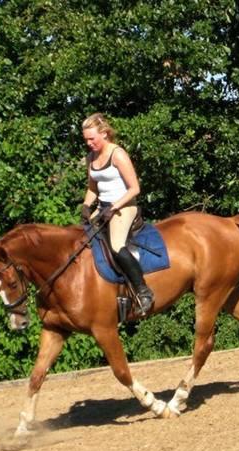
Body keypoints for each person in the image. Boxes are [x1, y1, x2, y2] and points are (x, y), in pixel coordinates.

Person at [80, 112, 154, 316]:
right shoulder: (91, 157)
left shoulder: (118, 154)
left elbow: (134, 188)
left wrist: (113, 208)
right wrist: (86, 205)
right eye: (86, 139)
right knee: (82, 241)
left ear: (104, 133)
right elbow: (93, 187)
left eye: (92, 138)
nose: (89, 143)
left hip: (124, 206)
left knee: (116, 245)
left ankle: (143, 291)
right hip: (103, 207)